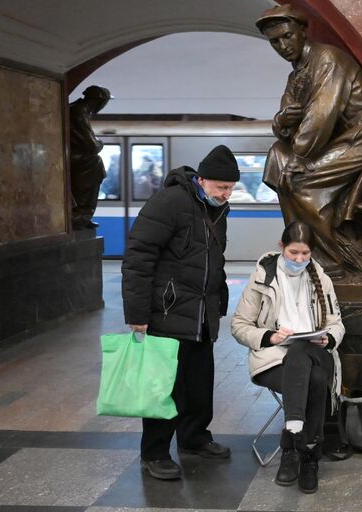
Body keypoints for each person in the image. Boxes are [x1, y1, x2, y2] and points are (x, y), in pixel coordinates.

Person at [255, 5, 362, 281]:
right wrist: (282, 120)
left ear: (302, 31)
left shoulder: (326, 60)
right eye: (275, 41)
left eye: (287, 36)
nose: (283, 45)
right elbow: (286, 124)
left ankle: (330, 262)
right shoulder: (296, 74)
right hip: (329, 140)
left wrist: (299, 159)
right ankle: (300, 245)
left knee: (300, 180)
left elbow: (320, 117)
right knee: (277, 158)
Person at [121, 145, 239, 480]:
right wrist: (137, 313)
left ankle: (194, 437)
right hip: (167, 311)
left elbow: (213, 259)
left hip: (201, 312)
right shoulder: (170, 202)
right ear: (201, 180)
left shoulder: (217, 210)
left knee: (199, 384)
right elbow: (139, 257)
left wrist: (218, 302)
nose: (226, 194)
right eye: (220, 187)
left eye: (230, 188)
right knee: (165, 386)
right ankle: (155, 453)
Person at [231, 221, 345, 494]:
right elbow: (238, 325)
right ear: (281, 247)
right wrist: (270, 336)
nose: (299, 259)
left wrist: (328, 338)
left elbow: (337, 323)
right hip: (272, 360)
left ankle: (291, 442)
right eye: (294, 252)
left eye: (305, 254)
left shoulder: (322, 279)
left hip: (317, 353)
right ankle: (308, 457)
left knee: (302, 351)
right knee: (313, 376)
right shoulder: (262, 277)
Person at [69, 85, 112, 229]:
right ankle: (82, 214)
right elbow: (91, 146)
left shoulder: (78, 110)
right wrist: (100, 143)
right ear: (99, 101)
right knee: (96, 163)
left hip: (72, 156)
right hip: (74, 158)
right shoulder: (79, 112)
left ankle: (83, 214)